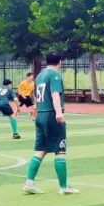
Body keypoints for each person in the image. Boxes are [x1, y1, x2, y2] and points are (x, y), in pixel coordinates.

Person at [23, 52, 77, 195]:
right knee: (60, 150)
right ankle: (64, 187)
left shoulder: (39, 76)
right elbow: (55, 94)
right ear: (60, 62)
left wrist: (36, 109)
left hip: (40, 114)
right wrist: (59, 112)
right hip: (51, 115)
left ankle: (29, 183)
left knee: (41, 149)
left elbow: (35, 96)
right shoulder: (55, 76)